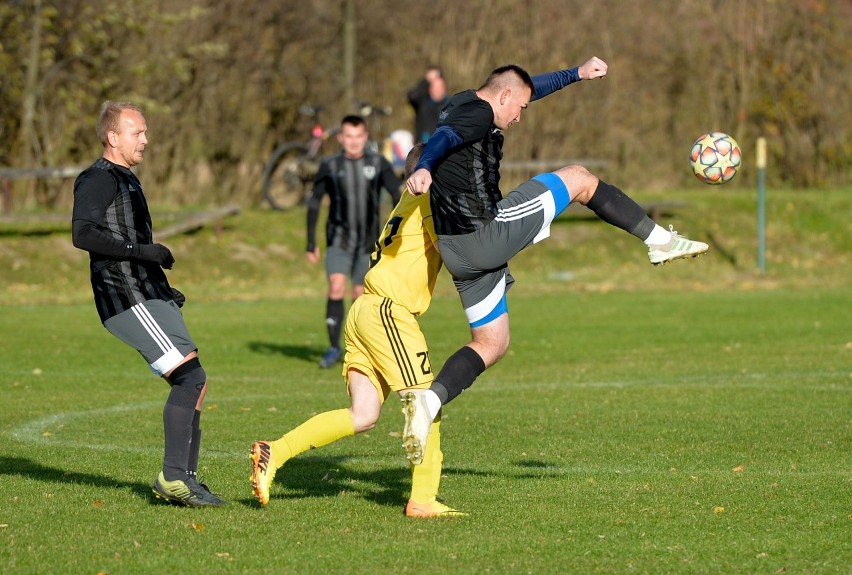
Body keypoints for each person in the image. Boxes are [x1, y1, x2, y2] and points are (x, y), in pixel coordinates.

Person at [401, 58, 710, 464]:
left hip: (456, 251)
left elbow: (522, 90)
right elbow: (443, 138)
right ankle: (659, 241)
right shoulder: (475, 116)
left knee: (492, 343)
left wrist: (575, 75)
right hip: (484, 235)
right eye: (520, 109)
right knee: (579, 177)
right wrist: (424, 166)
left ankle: (429, 402)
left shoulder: (463, 101)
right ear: (504, 96)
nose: (520, 118)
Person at [251, 144, 465, 517]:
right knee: (427, 402)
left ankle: (276, 451)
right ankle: (423, 499)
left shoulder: (407, 203)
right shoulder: (428, 201)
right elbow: (460, 252)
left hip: (364, 310)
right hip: (388, 311)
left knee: (363, 414)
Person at [71, 101, 226, 507]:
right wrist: (143, 252)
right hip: (125, 294)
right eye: (137, 132)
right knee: (189, 378)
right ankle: (173, 479)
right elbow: (83, 233)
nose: (145, 139)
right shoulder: (98, 178)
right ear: (112, 137)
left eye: (144, 131)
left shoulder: (127, 178)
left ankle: (185, 480)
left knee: (197, 382)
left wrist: (160, 282)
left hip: (145, 290)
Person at [306, 115, 402, 369]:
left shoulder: (378, 163)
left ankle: (359, 348)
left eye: (358, 136)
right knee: (336, 287)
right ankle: (333, 347)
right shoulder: (330, 165)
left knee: (360, 295)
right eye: (348, 136)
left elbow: (397, 194)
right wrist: (310, 241)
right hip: (338, 239)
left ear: (366, 137)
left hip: (369, 241)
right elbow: (314, 202)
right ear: (340, 138)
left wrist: (397, 232)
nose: (354, 142)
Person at [407, 66, 449, 143]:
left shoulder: (450, 104)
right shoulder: (422, 103)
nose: (438, 90)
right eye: (435, 87)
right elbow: (412, 96)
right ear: (430, 89)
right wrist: (426, 80)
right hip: (423, 147)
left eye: (440, 87)